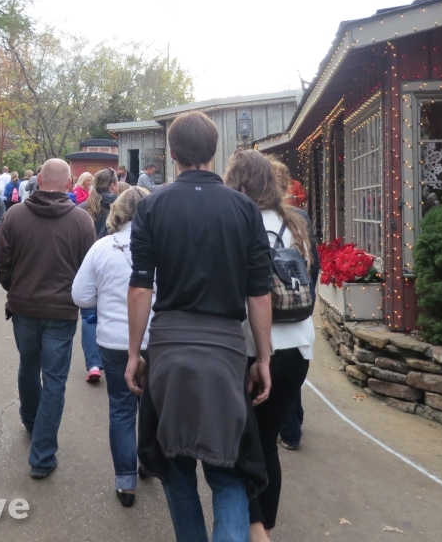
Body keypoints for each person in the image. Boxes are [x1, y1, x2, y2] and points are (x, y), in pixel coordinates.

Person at [126, 112, 272, 542]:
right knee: (228, 471)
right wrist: (263, 358)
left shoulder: (152, 206)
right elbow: (259, 293)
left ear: (172, 153)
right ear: (214, 149)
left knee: (176, 469)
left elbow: (140, 287)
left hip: (169, 349)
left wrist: (134, 353)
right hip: (225, 352)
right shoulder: (244, 208)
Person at [224, 150, 314, 541]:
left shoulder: (236, 222)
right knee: (266, 442)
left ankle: (254, 527)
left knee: (242, 444)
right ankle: (265, 527)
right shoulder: (295, 224)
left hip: (253, 347)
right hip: (298, 345)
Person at [0, 158, 96, 479]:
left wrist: (17, 288)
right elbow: (88, 271)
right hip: (62, 312)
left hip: (24, 308)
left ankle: (31, 421)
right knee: (54, 380)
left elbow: (0, 263)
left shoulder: (15, 215)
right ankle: (42, 455)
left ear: (38, 179)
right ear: (69, 184)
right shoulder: (82, 221)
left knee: (28, 365)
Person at [72, 186, 154, 508]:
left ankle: (125, 481)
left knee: (121, 408)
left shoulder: (103, 247)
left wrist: (105, 298)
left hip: (115, 339)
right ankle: (149, 462)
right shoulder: (165, 245)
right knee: (153, 405)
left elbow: (81, 296)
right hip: (156, 338)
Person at [268, 159, 319, 450]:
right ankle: (294, 421)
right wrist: (306, 294)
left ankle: (289, 430)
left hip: (274, 304)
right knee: (293, 367)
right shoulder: (300, 217)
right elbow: (313, 262)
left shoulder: (258, 217)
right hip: (298, 300)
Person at [78, 167, 119, 384]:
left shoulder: (83, 209)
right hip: (113, 268)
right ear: (113, 185)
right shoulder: (121, 208)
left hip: (88, 266)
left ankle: (93, 364)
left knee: (88, 316)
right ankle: (114, 358)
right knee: (113, 312)